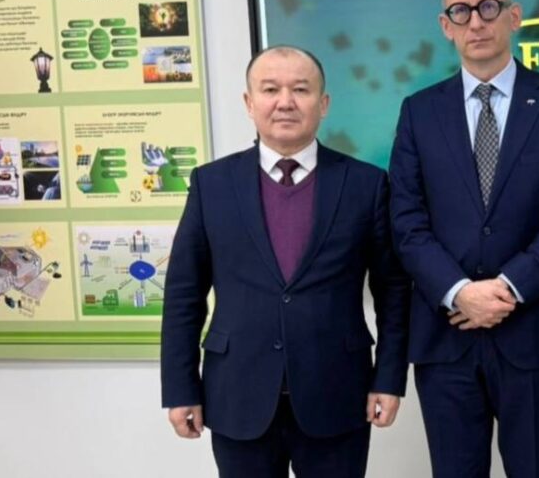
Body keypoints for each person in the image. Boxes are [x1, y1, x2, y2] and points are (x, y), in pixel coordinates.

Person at [160, 45, 410, 478]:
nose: (285, 102)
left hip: (338, 394)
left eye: (301, 89)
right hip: (238, 394)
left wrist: (389, 378)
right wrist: (181, 387)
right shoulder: (211, 184)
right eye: (270, 89)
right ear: (249, 102)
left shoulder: (366, 184)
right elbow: (184, 293)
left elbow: (394, 292)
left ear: (323, 103)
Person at [388, 0, 539, 478]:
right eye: (461, 11)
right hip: (446, 337)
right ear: (446, 25)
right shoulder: (419, 111)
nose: (476, 22)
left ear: (513, 15)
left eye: (487, 7)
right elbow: (406, 220)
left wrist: (507, 288)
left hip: (534, 330)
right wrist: (459, 291)